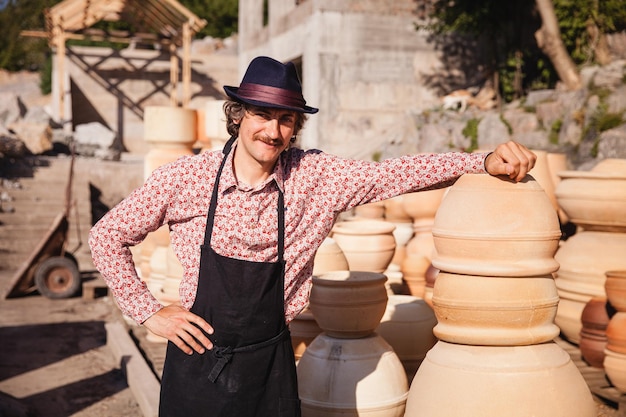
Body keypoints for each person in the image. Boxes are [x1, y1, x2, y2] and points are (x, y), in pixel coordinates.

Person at [89, 56, 536, 417]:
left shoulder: (314, 176)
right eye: (262, 114)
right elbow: (107, 236)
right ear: (239, 114)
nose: (273, 130)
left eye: (286, 119)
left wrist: (481, 161)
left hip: (269, 364)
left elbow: (395, 174)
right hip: (196, 360)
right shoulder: (185, 178)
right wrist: (147, 312)